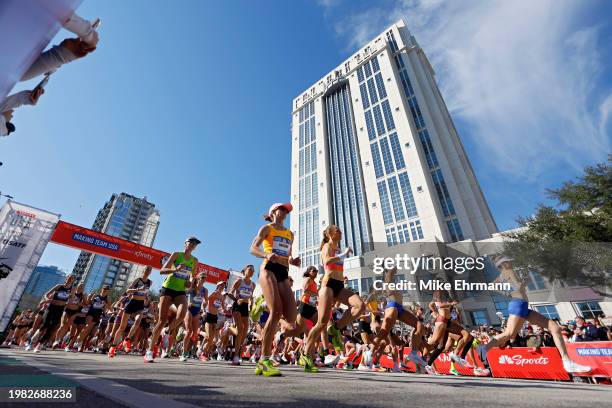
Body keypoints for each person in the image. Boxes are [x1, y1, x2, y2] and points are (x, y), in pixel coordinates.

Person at [477, 256, 591, 374]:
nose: (512, 262)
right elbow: (518, 287)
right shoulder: (509, 271)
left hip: (521, 305)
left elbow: (493, 285)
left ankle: (567, 362)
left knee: (554, 327)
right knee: (510, 334)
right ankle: (483, 349)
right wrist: (522, 284)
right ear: (504, 264)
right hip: (519, 305)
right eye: (509, 261)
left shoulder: (502, 274)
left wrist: (509, 292)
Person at [301, 225, 365, 373]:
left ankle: (336, 328)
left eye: (340, 230)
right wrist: (344, 254)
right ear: (329, 234)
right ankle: (306, 355)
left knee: (360, 306)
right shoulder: (327, 246)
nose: (340, 232)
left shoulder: (337, 248)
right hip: (327, 285)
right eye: (337, 230)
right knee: (321, 323)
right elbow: (327, 262)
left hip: (339, 285)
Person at [250, 202, 300, 376]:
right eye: (282, 209)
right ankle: (264, 360)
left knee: (292, 317)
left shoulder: (289, 234)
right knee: (277, 311)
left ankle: (264, 303)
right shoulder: (267, 228)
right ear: (273, 212)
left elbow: (287, 255)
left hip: (283, 272)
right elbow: (253, 248)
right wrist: (266, 254)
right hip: (268, 268)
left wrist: (293, 261)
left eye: (286, 210)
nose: (285, 212)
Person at [145, 236, 200, 363]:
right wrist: (175, 269)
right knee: (161, 320)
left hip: (180, 291)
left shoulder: (194, 260)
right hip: (167, 289)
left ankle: (167, 331)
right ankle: (149, 351)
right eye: (191, 242)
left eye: (195, 243)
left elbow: (191, 279)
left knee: (181, 315)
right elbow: (162, 270)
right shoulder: (176, 254)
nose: (193, 244)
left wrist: (189, 283)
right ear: (185, 243)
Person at [29, 274, 75, 352]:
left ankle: (39, 345)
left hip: (60, 309)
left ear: (73, 280)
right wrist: (47, 300)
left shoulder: (72, 289)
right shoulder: (59, 286)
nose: (70, 279)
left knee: (52, 327)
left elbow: (69, 301)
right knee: (45, 325)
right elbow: (46, 294)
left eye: (72, 278)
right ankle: (31, 342)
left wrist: (51, 301)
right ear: (66, 278)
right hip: (51, 308)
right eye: (69, 278)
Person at [227, 265, 256, 365]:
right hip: (237, 306)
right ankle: (235, 355)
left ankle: (237, 352)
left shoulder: (253, 284)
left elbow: (251, 297)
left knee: (244, 332)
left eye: (253, 270)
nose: (251, 271)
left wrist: (251, 304)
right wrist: (236, 300)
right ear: (244, 270)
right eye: (249, 269)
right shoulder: (239, 281)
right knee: (240, 329)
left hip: (245, 307)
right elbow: (229, 293)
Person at [75, 285, 110, 352]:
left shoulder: (107, 298)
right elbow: (88, 303)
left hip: (98, 314)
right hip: (91, 312)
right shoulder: (95, 295)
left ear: (108, 291)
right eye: (104, 288)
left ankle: (82, 345)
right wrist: (89, 298)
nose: (105, 290)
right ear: (102, 289)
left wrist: (106, 304)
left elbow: (110, 308)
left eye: (107, 289)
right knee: (88, 326)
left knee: (90, 333)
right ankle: (79, 341)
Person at [181, 274, 208, 362]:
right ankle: (183, 353)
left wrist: (204, 305)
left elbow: (206, 300)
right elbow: (184, 292)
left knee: (194, 334)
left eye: (205, 278)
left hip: (197, 311)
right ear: (198, 278)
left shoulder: (205, 290)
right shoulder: (193, 287)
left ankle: (187, 349)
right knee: (189, 331)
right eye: (202, 277)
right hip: (189, 309)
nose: (203, 279)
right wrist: (187, 301)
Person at [201, 281, 226, 360]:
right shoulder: (213, 293)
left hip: (215, 317)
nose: (222, 287)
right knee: (209, 337)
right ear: (217, 286)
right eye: (221, 285)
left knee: (213, 339)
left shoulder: (222, 297)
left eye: (223, 286)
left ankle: (205, 352)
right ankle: (202, 352)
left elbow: (223, 308)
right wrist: (203, 310)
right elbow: (205, 301)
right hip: (208, 316)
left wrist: (226, 311)